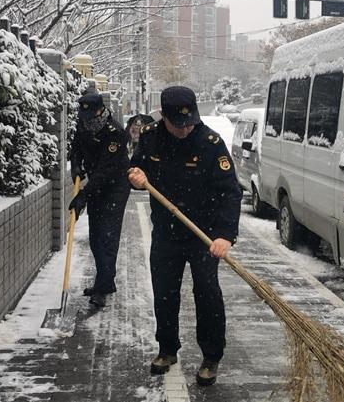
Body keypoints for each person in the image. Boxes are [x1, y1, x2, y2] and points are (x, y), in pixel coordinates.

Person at [128, 86, 242, 386]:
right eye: (178, 124)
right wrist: (136, 174)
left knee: (207, 294)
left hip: (204, 235)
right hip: (166, 232)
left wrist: (225, 236)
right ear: (163, 117)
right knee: (165, 293)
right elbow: (135, 165)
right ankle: (167, 349)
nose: (185, 128)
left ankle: (211, 356)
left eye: (189, 122)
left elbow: (231, 192)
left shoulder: (209, 142)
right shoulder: (151, 136)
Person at [69, 93, 131, 307]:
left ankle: (103, 286)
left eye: (89, 113)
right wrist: (76, 166)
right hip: (96, 185)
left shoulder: (115, 133)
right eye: (83, 114)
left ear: (100, 110)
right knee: (96, 237)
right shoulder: (84, 123)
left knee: (108, 237)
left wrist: (83, 196)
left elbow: (106, 170)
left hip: (115, 187)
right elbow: (76, 147)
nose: (85, 118)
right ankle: (105, 281)